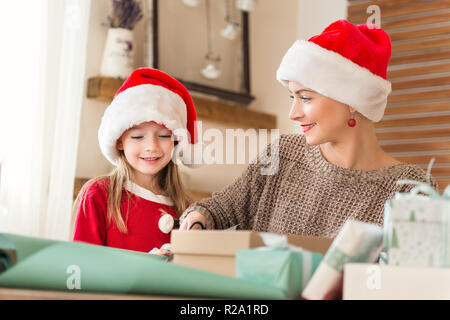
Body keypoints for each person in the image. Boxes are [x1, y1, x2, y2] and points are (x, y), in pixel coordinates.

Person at [179, 20, 439, 238]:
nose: (293, 114)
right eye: (293, 97)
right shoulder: (282, 154)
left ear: (351, 101)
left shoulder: (411, 189)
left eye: (305, 97)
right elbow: (219, 209)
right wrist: (198, 220)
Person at [73, 68, 200, 254]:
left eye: (164, 135)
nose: (152, 147)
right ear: (119, 141)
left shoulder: (188, 210)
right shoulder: (98, 195)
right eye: (138, 137)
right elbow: (82, 266)